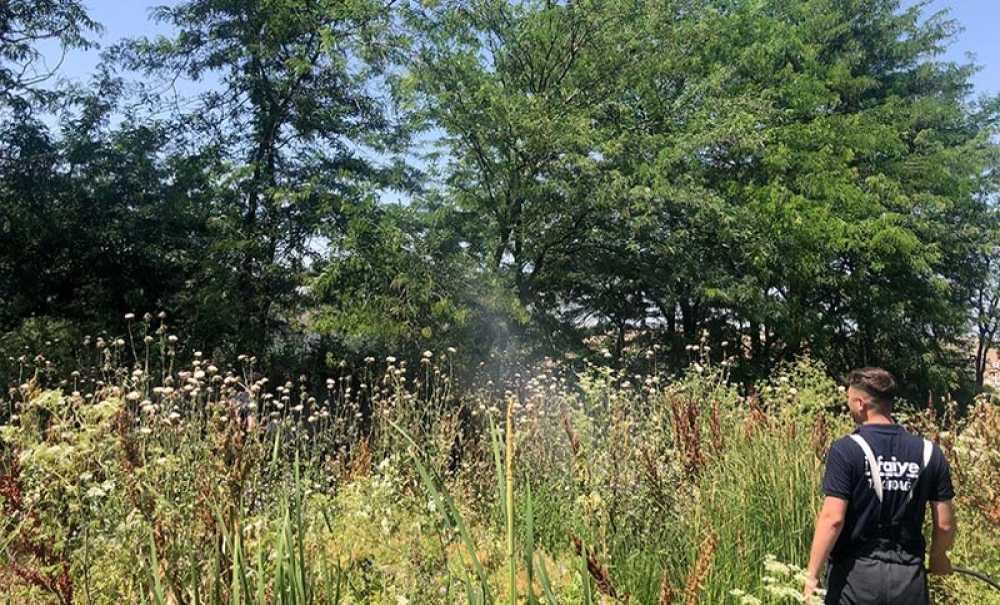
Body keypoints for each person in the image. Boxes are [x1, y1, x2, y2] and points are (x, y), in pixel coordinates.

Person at [802, 367, 957, 604]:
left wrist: (812, 575)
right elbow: (945, 525)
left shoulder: (846, 450)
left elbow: (833, 518)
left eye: (849, 401)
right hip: (909, 580)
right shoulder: (929, 453)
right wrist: (939, 558)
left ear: (860, 403)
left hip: (854, 579)